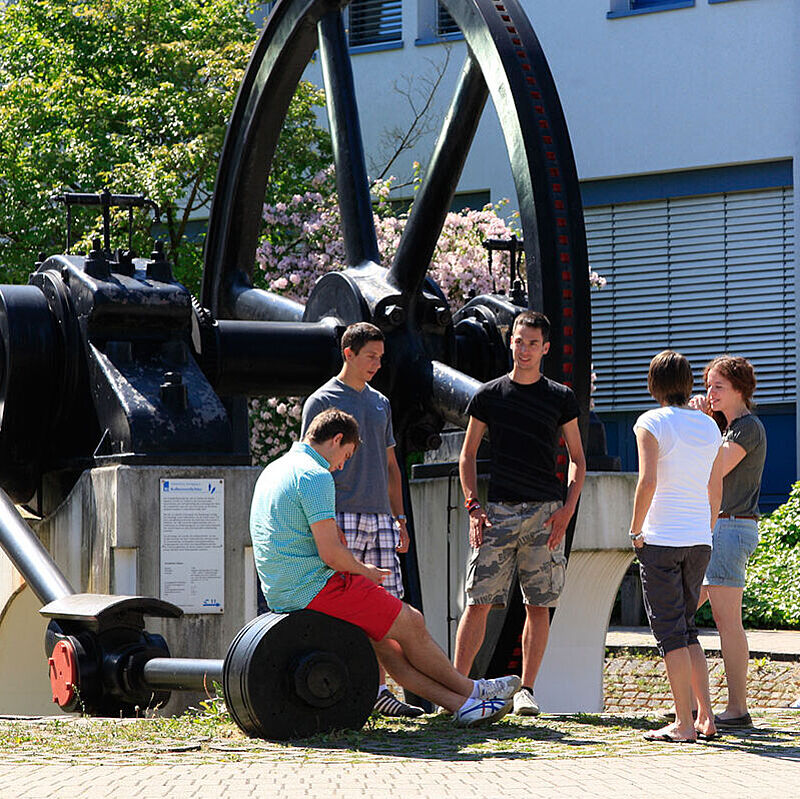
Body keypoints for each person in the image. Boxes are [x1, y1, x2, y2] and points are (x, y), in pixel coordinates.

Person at [250, 407, 521, 726]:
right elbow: (331, 554)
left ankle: (462, 705)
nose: (342, 465)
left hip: (282, 591)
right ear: (337, 439)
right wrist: (366, 572)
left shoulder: (275, 469)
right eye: (347, 455)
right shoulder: (315, 475)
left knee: (389, 646)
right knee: (412, 622)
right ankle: (474, 690)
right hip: (314, 587)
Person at [453, 310, 586, 716]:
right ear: (509, 342)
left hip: (546, 513)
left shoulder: (560, 397)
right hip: (497, 512)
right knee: (478, 602)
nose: (524, 349)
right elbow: (467, 456)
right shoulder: (489, 395)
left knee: (538, 604)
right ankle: (456, 691)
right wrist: (474, 507)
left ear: (545, 348)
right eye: (518, 340)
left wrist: (567, 510)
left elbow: (578, 460)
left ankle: (526, 690)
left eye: (532, 342)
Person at [301, 322, 419, 718]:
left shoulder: (380, 403)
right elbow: (309, 464)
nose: (377, 364)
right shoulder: (320, 400)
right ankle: (349, 687)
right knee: (343, 604)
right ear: (348, 353)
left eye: (381, 358)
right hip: (339, 515)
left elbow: (391, 465)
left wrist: (400, 518)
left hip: (381, 517)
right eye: (371, 356)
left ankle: (382, 691)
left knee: (387, 605)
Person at [630, 350, 723, 743]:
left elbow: (647, 481)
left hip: (662, 539)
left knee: (671, 635)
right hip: (698, 538)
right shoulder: (709, 427)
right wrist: (707, 527)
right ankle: (706, 717)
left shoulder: (650, 421)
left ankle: (683, 723)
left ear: (653, 385)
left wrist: (635, 530)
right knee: (688, 631)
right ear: (688, 384)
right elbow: (714, 487)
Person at [689, 355, 766, 729]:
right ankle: (690, 704)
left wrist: (703, 423)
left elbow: (713, 468)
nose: (709, 393)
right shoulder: (725, 427)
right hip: (715, 529)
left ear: (739, 388)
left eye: (717, 386)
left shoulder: (746, 427)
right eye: (708, 386)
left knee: (726, 620)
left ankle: (737, 708)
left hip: (731, 528)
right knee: (681, 614)